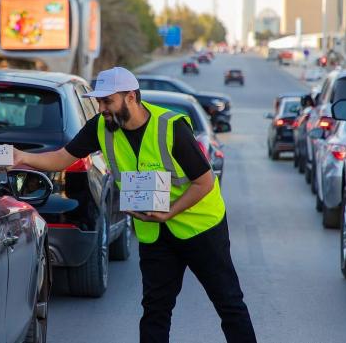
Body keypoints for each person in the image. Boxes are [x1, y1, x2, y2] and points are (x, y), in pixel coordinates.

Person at [13, 67, 256, 343]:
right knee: (155, 310)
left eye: (108, 101)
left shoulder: (170, 127)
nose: (101, 108)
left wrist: (170, 213)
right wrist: (22, 157)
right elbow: (61, 158)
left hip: (200, 227)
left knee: (229, 303)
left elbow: (205, 182)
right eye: (99, 101)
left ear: (130, 97)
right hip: (154, 232)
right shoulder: (101, 127)